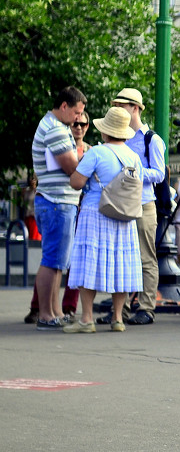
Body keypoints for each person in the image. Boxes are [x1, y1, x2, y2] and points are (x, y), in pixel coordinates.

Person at [62, 106, 142, 333]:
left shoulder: (96, 153)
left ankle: (87, 319)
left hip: (96, 212)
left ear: (105, 132)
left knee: (90, 263)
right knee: (121, 264)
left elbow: (76, 182)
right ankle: (118, 318)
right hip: (124, 216)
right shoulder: (134, 157)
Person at [108, 88, 166, 326]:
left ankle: (146, 308)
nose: (117, 109)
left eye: (121, 105)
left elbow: (160, 173)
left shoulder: (151, 138)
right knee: (120, 257)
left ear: (135, 108)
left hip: (143, 204)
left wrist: (133, 172)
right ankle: (118, 312)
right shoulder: (117, 136)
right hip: (122, 204)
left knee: (145, 258)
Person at [31, 86, 86, 331]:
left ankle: (54, 311)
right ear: (64, 106)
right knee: (52, 261)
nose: (78, 119)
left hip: (56, 201)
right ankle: (46, 315)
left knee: (56, 263)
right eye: (76, 112)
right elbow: (72, 168)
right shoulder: (55, 130)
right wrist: (93, 159)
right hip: (56, 202)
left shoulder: (56, 126)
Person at [22, 174, 40, 241]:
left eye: (34, 179)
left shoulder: (37, 191)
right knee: (27, 237)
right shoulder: (27, 191)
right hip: (27, 216)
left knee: (34, 238)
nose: (32, 181)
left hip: (34, 217)